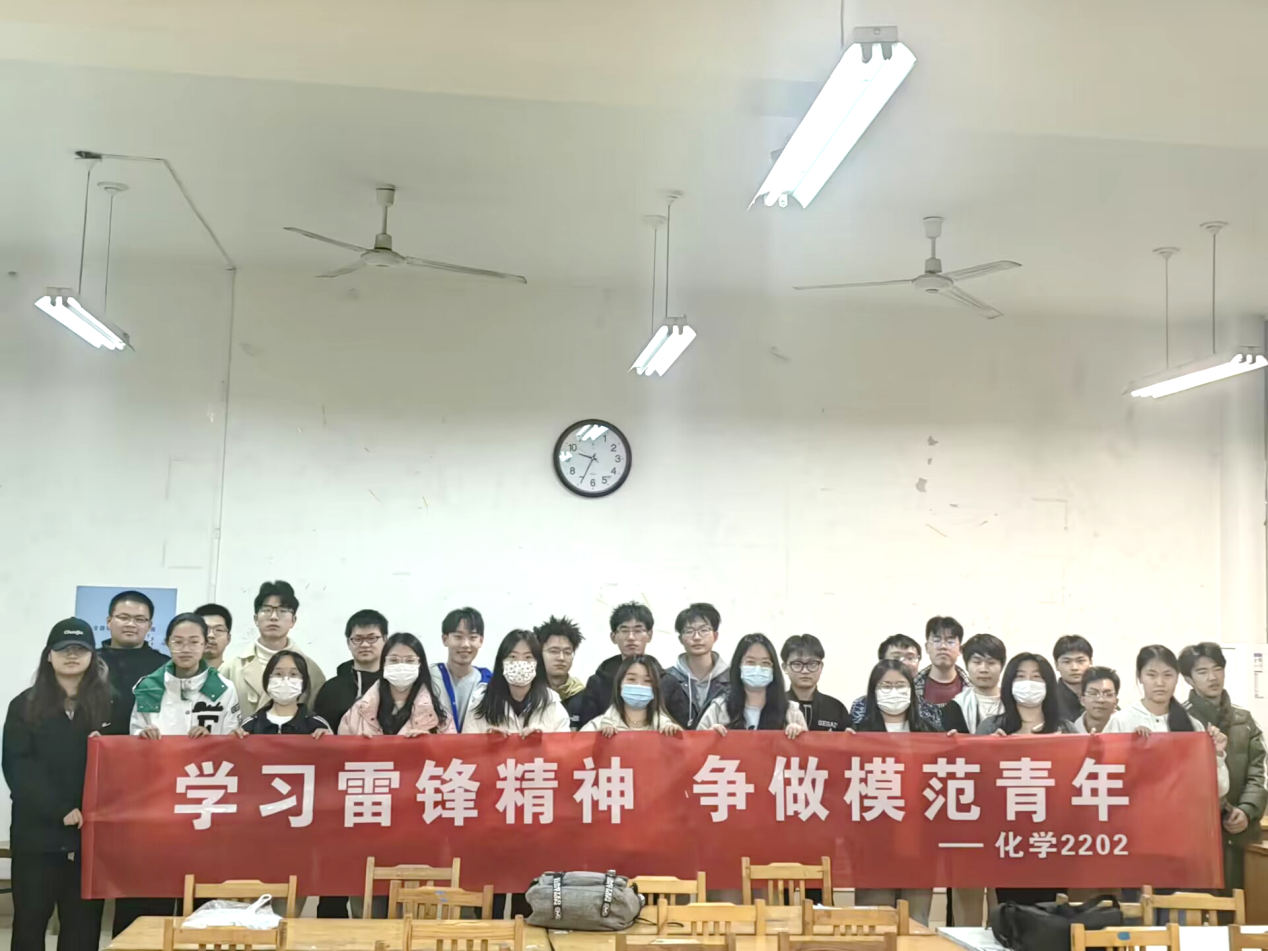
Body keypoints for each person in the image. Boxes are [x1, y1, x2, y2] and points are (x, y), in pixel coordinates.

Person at [3, 619, 118, 951]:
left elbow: (122, 764)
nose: (72, 655)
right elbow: (17, 766)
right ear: (48, 655)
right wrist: (59, 809)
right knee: (30, 922)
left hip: (90, 834)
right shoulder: (24, 704)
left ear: (92, 656)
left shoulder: (110, 703)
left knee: (83, 925)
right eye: (63, 649)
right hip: (37, 834)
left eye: (80, 649)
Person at [850, 659, 936, 924]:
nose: (893, 691)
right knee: (875, 924)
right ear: (873, 692)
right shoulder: (857, 734)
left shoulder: (929, 732)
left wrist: (955, 745)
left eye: (900, 685)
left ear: (911, 689)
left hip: (919, 842)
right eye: (885, 686)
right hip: (872, 845)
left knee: (916, 923)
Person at [1180, 642, 1265, 890]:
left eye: (1217, 669)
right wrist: (1223, 810)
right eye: (1202, 671)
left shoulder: (1244, 719)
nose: (1212, 677)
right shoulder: (1180, 721)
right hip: (1198, 835)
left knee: (1247, 904)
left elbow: (1258, 772)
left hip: (1242, 834)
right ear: (1188, 679)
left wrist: (1246, 810)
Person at [1104, 645, 1230, 798]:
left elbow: (1217, 789)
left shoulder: (1192, 725)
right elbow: (1104, 780)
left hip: (1180, 810)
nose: (1160, 682)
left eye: (1168, 675)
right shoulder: (1121, 721)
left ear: (1177, 678)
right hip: (1136, 810)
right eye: (1152, 675)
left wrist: (1217, 753)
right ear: (1140, 677)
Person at [222, 581, 326, 718]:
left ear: (293, 620)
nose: (274, 617)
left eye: (283, 611)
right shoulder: (231, 669)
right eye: (266, 610)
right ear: (256, 619)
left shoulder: (311, 670)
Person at [130, 614, 242, 738]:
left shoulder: (224, 688)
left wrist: (209, 738)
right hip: (160, 752)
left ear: (205, 644)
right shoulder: (148, 687)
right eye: (178, 642)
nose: (186, 649)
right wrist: (142, 734)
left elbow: (231, 739)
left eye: (194, 642)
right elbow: (135, 733)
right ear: (167, 643)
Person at [340, 633, 452, 737]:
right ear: (383, 664)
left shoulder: (438, 715)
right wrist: (360, 746)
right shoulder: (359, 711)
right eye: (393, 660)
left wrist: (428, 744)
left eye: (409, 660)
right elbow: (342, 748)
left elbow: (453, 749)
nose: (401, 666)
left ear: (420, 665)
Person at [697, 634, 806, 737]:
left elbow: (808, 749)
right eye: (750, 662)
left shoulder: (792, 712)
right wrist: (708, 737)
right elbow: (696, 747)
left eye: (765, 663)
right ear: (738, 666)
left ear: (774, 670)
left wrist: (799, 736)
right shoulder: (718, 709)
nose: (758, 668)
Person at [464, 630, 572, 735]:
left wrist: (541, 743)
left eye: (528, 657)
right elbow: (467, 746)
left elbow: (564, 746)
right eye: (513, 657)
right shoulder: (479, 708)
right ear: (501, 663)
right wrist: (488, 744)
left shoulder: (553, 707)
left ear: (538, 664)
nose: (520, 663)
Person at [578, 602, 654, 727]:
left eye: (638, 630)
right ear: (613, 637)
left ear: (649, 635)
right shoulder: (597, 683)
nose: (631, 637)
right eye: (624, 630)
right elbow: (587, 730)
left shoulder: (665, 681)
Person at [314, 609, 387, 734]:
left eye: (372, 638)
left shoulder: (396, 685)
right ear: (348, 643)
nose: (364, 645)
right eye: (357, 639)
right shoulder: (332, 689)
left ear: (385, 639)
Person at [849, 635, 947, 727]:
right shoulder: (861, 706)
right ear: (881, 662)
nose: (904, 663)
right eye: (896, 657)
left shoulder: (930, 709)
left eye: (910, 658)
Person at [662, 603, 729, 730]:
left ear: (715, 636)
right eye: (689, 631)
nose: (697, 637)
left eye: (704, 630)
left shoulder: (731, 679)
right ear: (680, 639)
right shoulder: (666, 679)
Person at [976, 653, 1075, 737]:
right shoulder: (990, 727)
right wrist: (990, 746)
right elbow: (974, 753)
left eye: (1036, 676)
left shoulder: (1065, 728)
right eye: (1020, 676)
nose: (1028, 682)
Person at [237, 651, 332, 735]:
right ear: (267, 680)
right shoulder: (251, 725)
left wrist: (327, 739)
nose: (285, 680)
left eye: (293, 674)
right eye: (278, 674)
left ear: (304, 681)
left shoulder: (316, 725)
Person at [582, 654, 682, 734]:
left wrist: (676, 737)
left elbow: (684, 751)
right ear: (620, 684)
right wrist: (597, 741)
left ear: (655, 688)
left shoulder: (668, 728)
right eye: (631, 679)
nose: (639, 685)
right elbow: (577, 751)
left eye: (647, 680)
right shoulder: (596, 727)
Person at [429, 607, 492, 733]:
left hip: (475, 745)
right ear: (445, 639)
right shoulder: (430, 677)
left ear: (481, 641)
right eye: (458, 637)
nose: (465, 644)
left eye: (472, 637)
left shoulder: (489, 682)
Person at [100, 590, 166, 700]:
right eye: (123, 618)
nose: (131, 624)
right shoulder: (92, 661)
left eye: (139, 619)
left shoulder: (164, 666)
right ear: (109, 621)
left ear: (149, 626)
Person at [780, 634, 848, 731]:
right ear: (785, 667)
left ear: (821, 667)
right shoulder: (776, 706)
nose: (805, 671)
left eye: (812, 664)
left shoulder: (836, 708)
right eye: (797, 664)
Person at [534, 615, 587, 728]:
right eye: (554, 651)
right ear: (539, 654)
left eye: (567, 652)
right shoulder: (529, 694)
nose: (561, 658)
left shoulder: (584, 697)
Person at [954, 634, 1006, 733]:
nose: (983, 669)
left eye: (991, 662)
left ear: (1002, 666)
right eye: (977, 662)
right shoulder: (956, 706)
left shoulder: (1014, 704)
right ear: (966, 666)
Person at [1053, 635, 1094, 723]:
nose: (1074, 668)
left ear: (1091, 662)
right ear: (1056, 665)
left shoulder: (1099, 695)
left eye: (1080, 661)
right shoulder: (1050, 698)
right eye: (1067, 662)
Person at [1073, 667, 1119, 734]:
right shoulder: (1070, 730)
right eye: (1093, 693)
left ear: (1116, 702)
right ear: (1082, 700)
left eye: (1108, 694)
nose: (1100, 700)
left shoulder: (1128, 727)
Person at [195, 603, 233, 670]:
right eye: (205, 629)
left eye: (219, 630)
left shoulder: (234, 674)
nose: (211, 635)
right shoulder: (178, 674)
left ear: (228, 638)